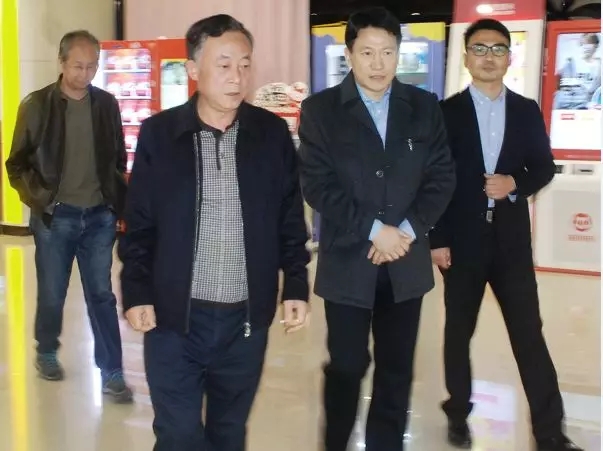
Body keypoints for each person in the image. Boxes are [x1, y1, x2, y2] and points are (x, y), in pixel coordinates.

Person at [118, 14, 310, 451]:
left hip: (245, 321)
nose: (237, 77)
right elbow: (139, 224)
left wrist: (296, 283)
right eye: (223, 65)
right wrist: (136, 291)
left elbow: (289, 218)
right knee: (178, 434)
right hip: (173, 319)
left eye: (245, 64)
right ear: (192, 69)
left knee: (228, 432)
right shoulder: (160, 135)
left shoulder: (270, 134)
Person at [298, 7, 455, 451]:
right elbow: (318, 186)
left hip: (406, 263)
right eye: (367, 52)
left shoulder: (423, 107)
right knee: (346, 366)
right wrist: (373, 231)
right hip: (349, 260)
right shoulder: (321, 111)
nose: (378, 63)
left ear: (399, 53)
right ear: (349, 54)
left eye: (388, 52)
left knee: (396, 370)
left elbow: (441, 177)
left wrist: (404, 231)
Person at [431, 19, 583, 451]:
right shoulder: (446, 112)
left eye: (498, 48)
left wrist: (514, 182)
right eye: (479, 48)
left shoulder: (525, 109)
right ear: (466, 57)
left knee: (529, 334)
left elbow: (544, 166)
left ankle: (550, 432)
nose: (489, 57)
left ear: (509, 58)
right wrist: (436, 238)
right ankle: (457, 413)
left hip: (511, 243)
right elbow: (434, 178)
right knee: (458, 331)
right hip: (461, 243)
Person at [5, 30, 132, 403]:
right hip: (55, 218)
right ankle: (46, 349)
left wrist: (115, 202)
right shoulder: (37, 105)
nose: (85, 73)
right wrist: (42, 200)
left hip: (99, 217)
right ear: (61, 63)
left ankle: (112, 371)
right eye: (78, 66)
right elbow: (16, 164)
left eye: (92, 66)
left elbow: (118, 157)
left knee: (101, 294)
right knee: (52, 292)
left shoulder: (106, 104)